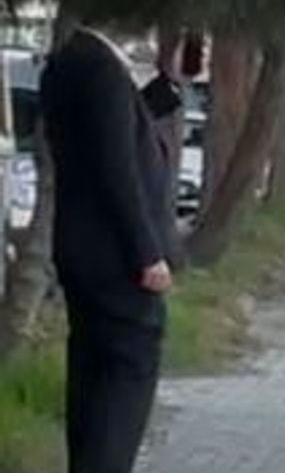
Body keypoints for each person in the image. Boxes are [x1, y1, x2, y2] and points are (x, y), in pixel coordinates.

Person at [40, 24, 184, 473]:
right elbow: (115, 166)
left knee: (92, 373)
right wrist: (147, 253)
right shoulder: (103, 71)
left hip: (81, 249)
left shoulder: (68, 63)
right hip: (116, 257)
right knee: (125, 375)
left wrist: (164, 92)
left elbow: (109, 134)